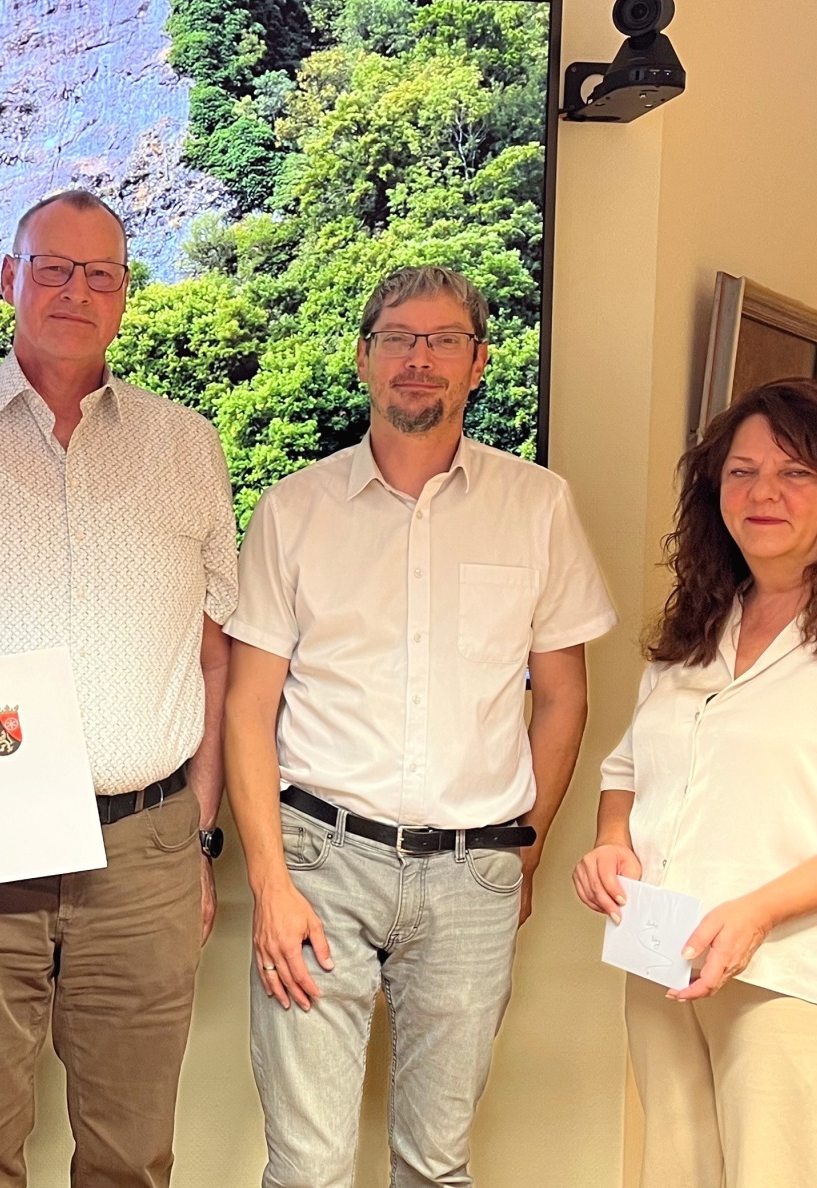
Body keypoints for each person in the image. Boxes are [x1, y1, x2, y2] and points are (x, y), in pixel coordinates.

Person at [0, 189, 239, 1188]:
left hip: (144, 852)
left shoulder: (188, 445)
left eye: (100, 273)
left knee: (129, 1161)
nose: (76, 290)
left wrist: (198, 836)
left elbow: (213, 656)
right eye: (52, 268)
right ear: (7, 280)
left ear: (124, 296)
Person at [222, 265, 617, 1187]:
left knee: (436, 1166)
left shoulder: (538, 507)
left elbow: (565, 697)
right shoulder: (294, 510)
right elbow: (248, 705)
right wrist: (271, 882)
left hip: (473, 872)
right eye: (398, 337)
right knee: (308, 1167)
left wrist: (523, 852)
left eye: (444, 341)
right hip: (320, 863)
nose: (419, 359)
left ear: (478, 363)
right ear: (364, 358)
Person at [573, 379, 817, 1188]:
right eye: (741, 473)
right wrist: (611, 845)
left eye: (796, 473)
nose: (763, 493)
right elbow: (627, 772)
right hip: (667, 962)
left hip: (800, 982)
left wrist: (758, 912)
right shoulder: (696, 633)